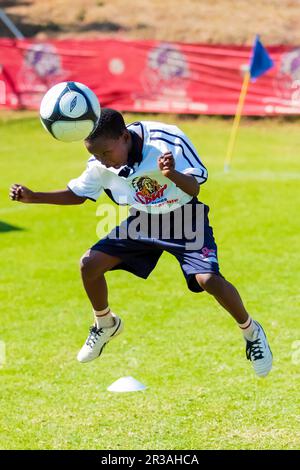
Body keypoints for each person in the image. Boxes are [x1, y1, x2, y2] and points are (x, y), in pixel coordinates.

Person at [10, 108, 272, 377]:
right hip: (143, 220)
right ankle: (105, 323)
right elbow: (79, 193)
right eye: (94, 155)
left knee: (208, 280)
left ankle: (251, 331)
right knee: (89, 264)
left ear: (124, 137)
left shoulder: (166, 140)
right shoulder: (101, 160)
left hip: (184, 216)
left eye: (105, 153)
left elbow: (195, 188)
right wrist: (34, 197)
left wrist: (171, 174)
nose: (101, 160)